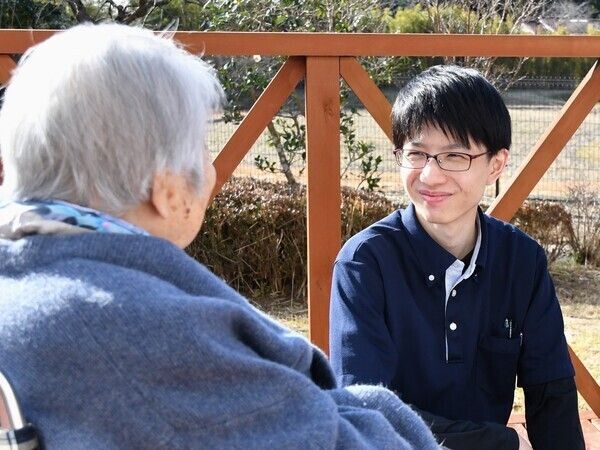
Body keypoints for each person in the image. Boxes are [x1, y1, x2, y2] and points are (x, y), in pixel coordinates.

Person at [0, 24, 441, 450]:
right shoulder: (138, 331)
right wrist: (376, 406)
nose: (210, 172)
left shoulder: (23, 284)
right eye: (203, 147)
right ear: (168, 192)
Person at [329, 65, 585, 450]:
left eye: (454, 156)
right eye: (416, 153)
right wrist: (494, 442)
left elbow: (551, 392)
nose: (430, 176)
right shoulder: (365, 263)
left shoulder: (522, 260)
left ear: (495, 165)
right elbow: (364, 412)